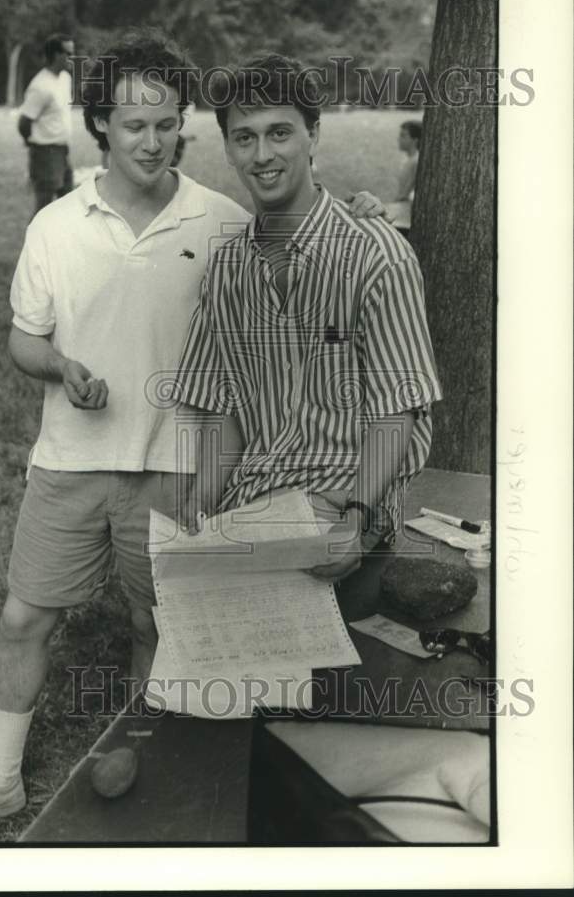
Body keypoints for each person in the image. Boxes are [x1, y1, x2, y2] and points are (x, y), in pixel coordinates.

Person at [0, 32, 387, 842]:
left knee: (155, 628)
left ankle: (145, 769)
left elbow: (298, 221)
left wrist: (355, 207)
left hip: (178, 467)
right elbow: (22, 341)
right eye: (133, 124)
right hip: (69, 463)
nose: (151, 140)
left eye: (167, 124)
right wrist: (62, 368)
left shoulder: (222, 218)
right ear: (100, 122)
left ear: (182, 126)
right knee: (24, 617)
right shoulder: (56, 226)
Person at [175, 54, 441, 582]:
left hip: (347, 495)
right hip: (252, 501)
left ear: (313, 135)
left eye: (280, 133)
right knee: (186, 625)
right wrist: (198, 505)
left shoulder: (375, 252)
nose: (262, 154)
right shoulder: (226, 269)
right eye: (244, 138)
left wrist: (358, 520)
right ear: (227, 147)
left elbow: (397, 411)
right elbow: (225, 410)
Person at [18, 33, 75, 215]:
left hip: (62, 150)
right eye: (68, 54)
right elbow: (24, 122)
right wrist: (32, 143)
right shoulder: (40, 86)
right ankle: (34, 243)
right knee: (44, 209)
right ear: (55, 55)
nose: (72, 58)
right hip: (45, 153)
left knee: (68, 202)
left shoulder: (65, 78)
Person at [385, 119, 422, 234]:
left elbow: (406, 192)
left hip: (406, 213)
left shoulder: (416, 161)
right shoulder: (408, 159)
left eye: (403, 136)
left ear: (415, 140)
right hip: (402, 208)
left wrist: (392, 206)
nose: (399, 139)